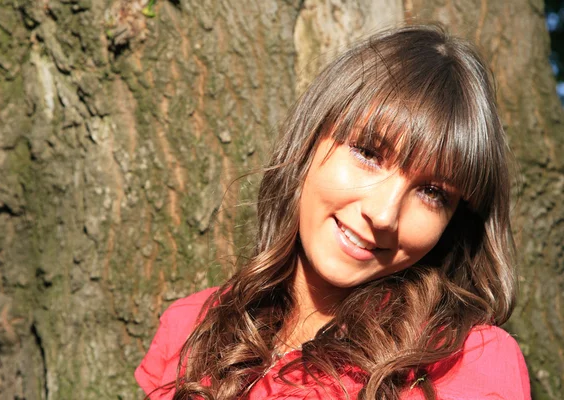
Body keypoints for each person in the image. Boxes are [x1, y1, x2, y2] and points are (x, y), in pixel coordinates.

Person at [135, 24, 531, 400]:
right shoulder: (191, 324)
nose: (383, 214)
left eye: (431, 192)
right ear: (309, 140)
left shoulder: (469, 362)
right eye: (369, 154)